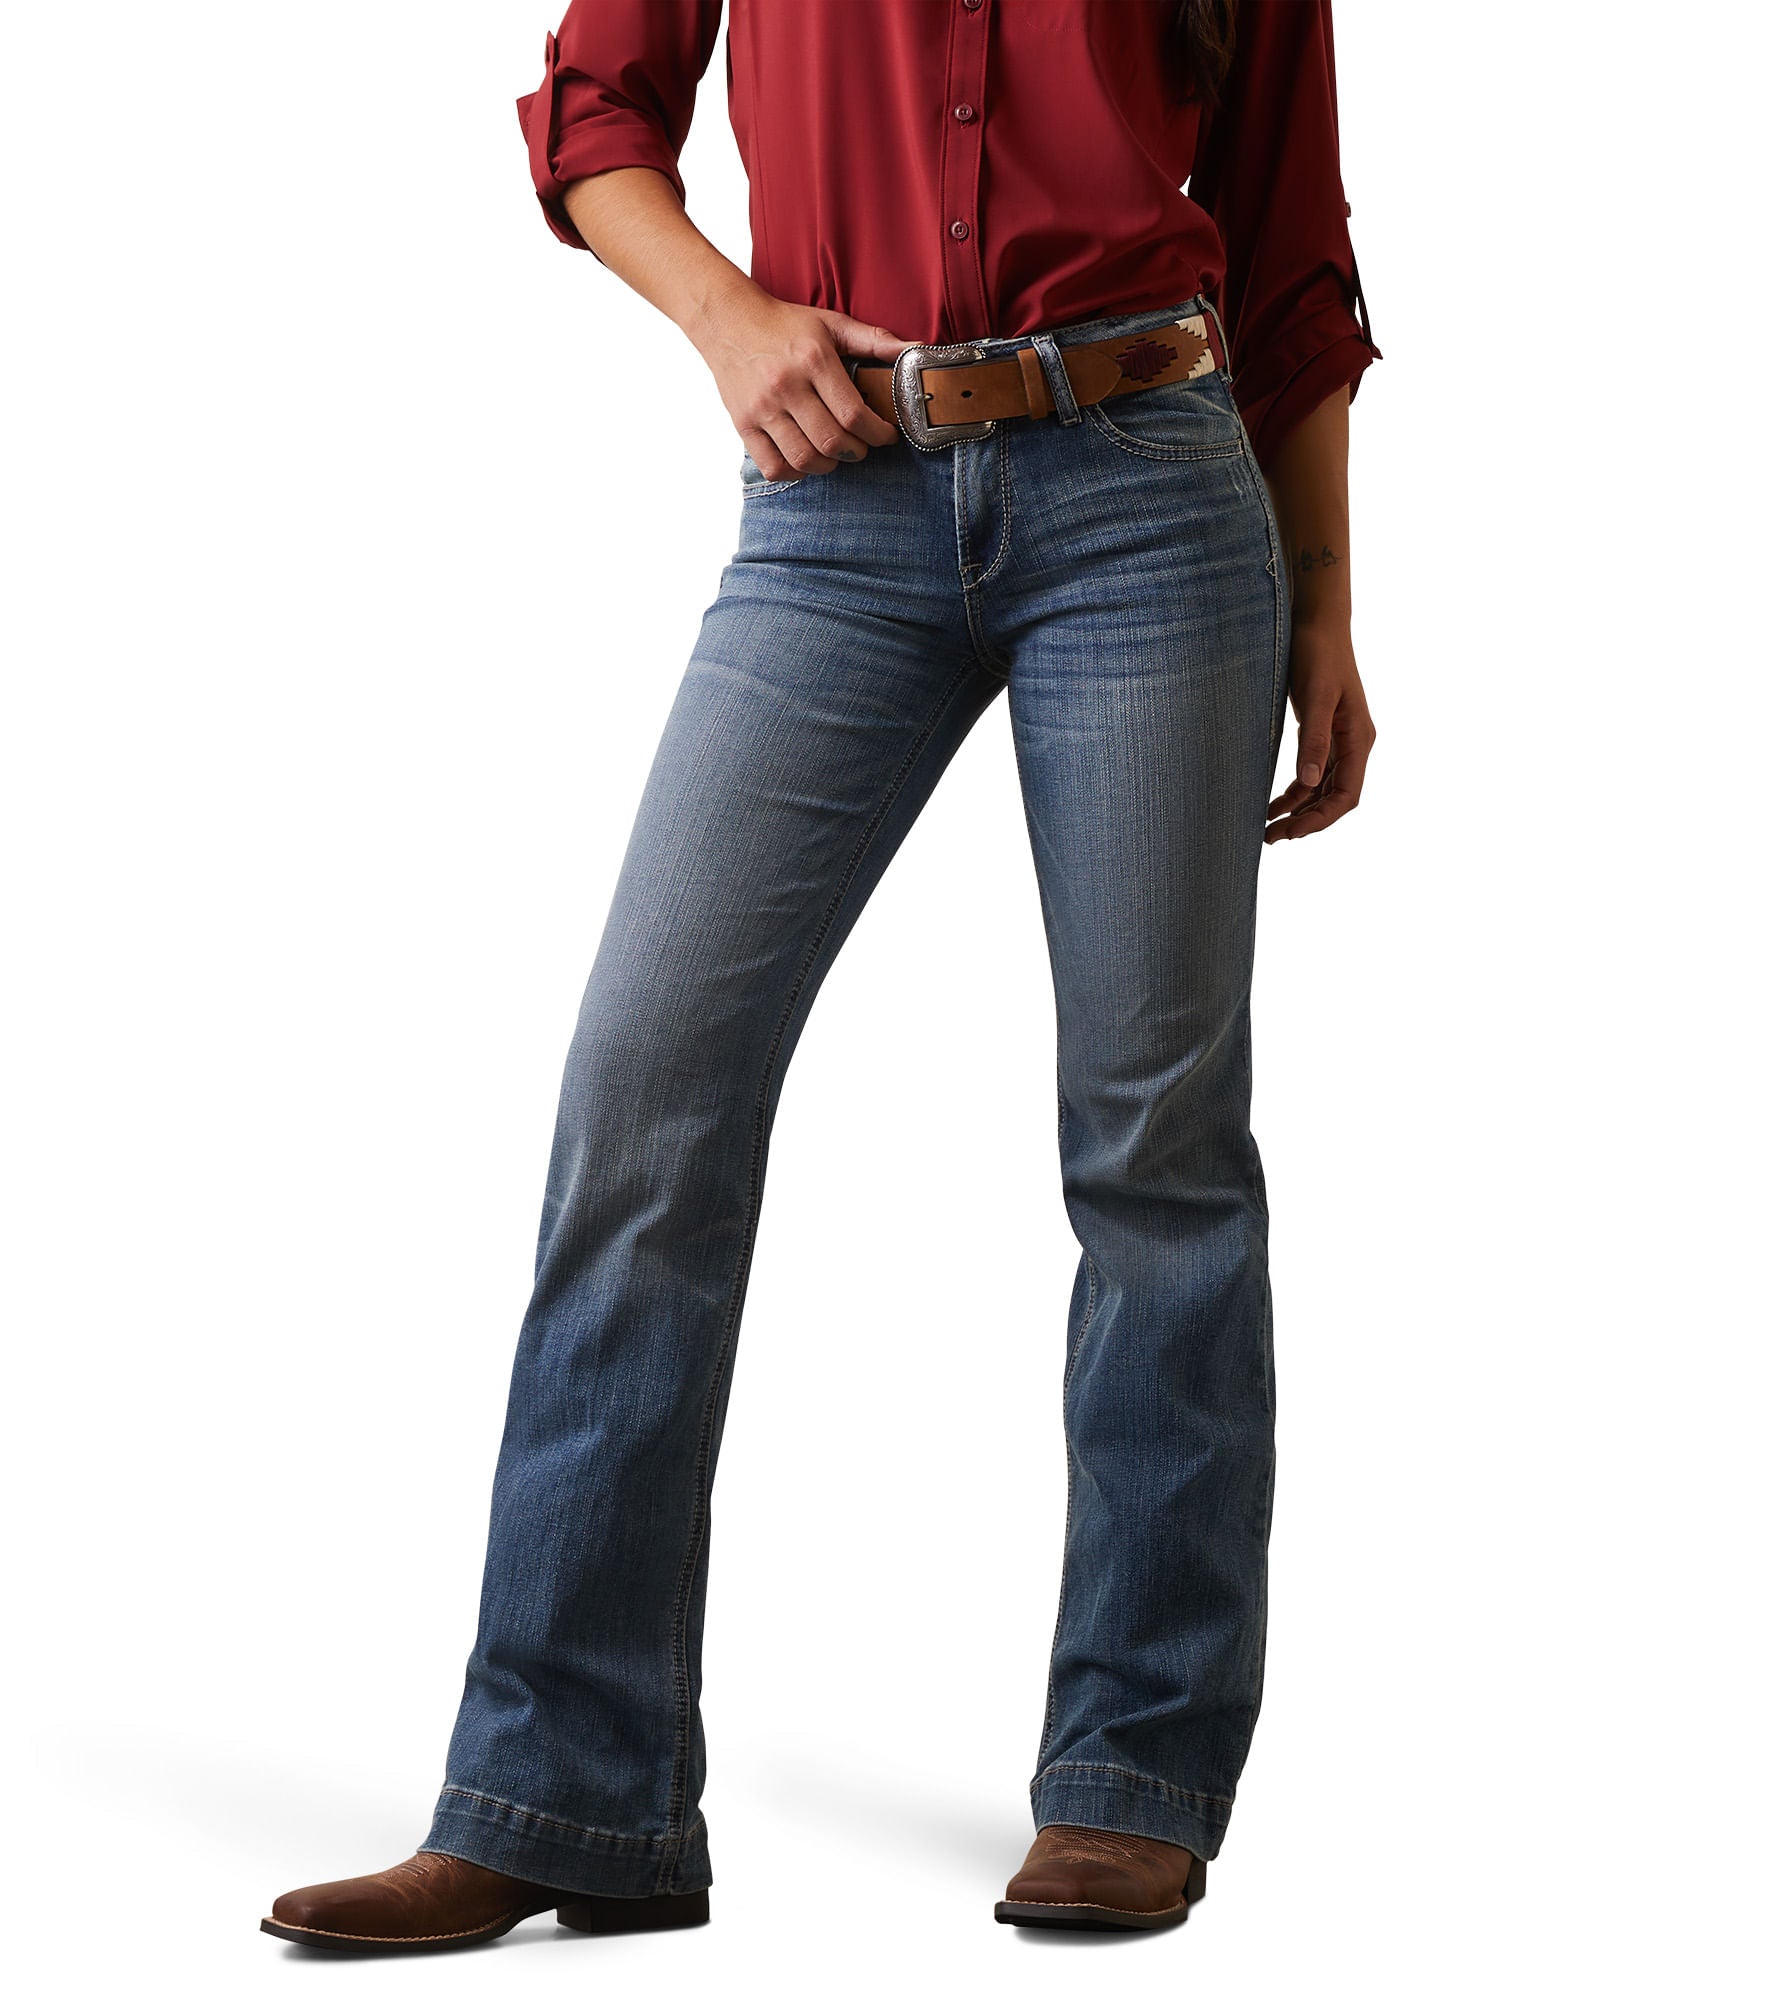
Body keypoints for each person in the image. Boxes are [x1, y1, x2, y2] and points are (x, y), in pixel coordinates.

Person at [262, 0, 1380, 1950]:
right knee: (646, 1106)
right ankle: (565, 1792)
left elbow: (1290, 242)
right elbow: (593, 115)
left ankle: (1133, 1776)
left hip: (1151, 495)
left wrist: (1326, 599)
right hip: (835, 509)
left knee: (1156, 1147)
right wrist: (730, 322)